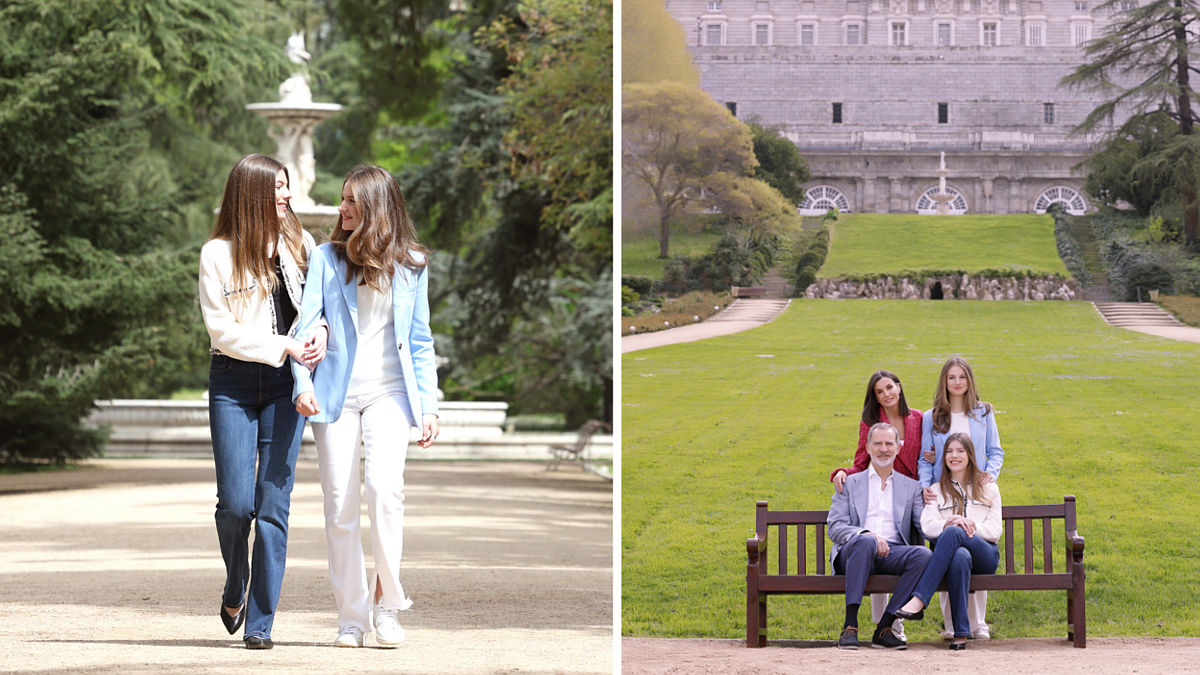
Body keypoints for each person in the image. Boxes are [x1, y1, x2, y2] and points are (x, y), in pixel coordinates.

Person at [291, 165, 440, 649]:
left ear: (378, 205)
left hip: (390, 393)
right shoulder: (326, 257)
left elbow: (419, 340)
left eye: (353, 201)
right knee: (339, 507)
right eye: (342, 199)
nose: (343, 208)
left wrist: (430, 405)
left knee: (383, 489)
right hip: (335, 394)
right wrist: (300, 383)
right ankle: (350, 618)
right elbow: (305, 326)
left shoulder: (412, 263)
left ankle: (387, 606)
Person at [198, 154, 326, 649]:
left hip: (283, 385)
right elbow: (221, 329)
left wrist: (317, 333)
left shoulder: (302, 245)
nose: (286, 196)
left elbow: (318, 308)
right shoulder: (217, 254)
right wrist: (284, 345)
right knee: (235, 505)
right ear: (251, 193)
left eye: (287, 187)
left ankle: (260, 623)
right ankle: (235, 581)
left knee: (273, 505)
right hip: (232, 380)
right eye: (277, 188)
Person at [828, 370, 923, 640]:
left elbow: (922, 523)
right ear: (868, 447)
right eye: (877, 444)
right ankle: (850, 626)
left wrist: (947, 523)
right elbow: (835, 527)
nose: (883, 449)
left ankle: (885, 627)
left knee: (923, 555)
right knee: (866, 542)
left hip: (893, 552)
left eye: (889, 444)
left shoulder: (909, 487)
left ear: (897, 448)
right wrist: (865, 534)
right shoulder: (850, 483)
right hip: (856, 551)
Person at [918, 355, 1003, 639]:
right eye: (951, 377)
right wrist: (927, 486)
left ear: (969, 381)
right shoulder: (932, 417)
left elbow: (995, 451)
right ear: (944, 381)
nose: (957, 382)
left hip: (976, 491)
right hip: (944, 492)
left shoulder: (983, 412)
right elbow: (925, 457)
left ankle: (974, 622)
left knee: (962, 540)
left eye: (962, 377)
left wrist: (987, 476)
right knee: (955, 552)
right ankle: (956, 625)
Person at [894, 433, 1002, 650]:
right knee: (959, 556)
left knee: (955, 532)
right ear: (943, 457)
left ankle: (920, 599)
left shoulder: (988, 488)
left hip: (985, 554)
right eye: (950, 451)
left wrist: (968, 525)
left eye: (960, 451)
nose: (954, 456)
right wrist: (945, 525)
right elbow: (926, 525)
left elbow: (995, 531)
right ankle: (960, 634)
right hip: (954, 556)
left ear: (970, 455)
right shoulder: (936, 490)